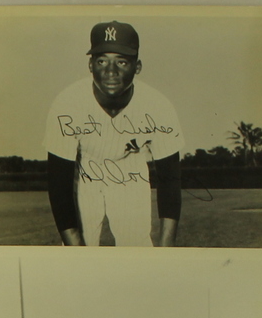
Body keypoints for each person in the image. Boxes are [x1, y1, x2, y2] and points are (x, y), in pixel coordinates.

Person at [45, 21, 182, 247]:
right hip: (85, 172)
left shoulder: (158, 106)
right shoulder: (67, 104)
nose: (110, 71)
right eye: (101, 61)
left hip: (131, 169)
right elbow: (59, 184)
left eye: (121, 61)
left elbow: (170, 180)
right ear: (90, 65)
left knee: (136, 250)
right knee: (77, 255)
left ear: (137, 67)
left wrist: (166, 251)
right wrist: (75, 253)